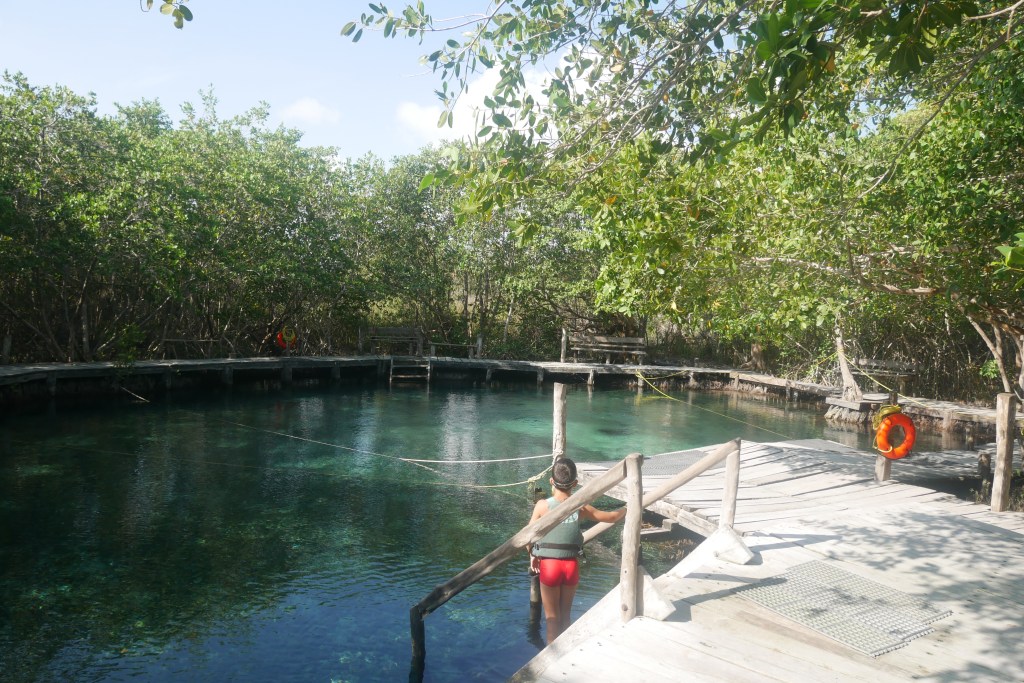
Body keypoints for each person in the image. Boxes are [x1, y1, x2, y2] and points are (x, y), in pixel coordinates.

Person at [528, 457, 626, 645]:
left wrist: (533, 554)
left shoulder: (542, 506)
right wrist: (627, 508)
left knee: (552, 620)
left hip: (549, 567)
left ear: (551, 481)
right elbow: (611, 517)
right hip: (571, 567)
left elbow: (528, 536)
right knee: (565, 617)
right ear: (575, 483)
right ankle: (567, 652)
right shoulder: (580, 506)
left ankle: (552, 659)